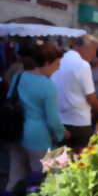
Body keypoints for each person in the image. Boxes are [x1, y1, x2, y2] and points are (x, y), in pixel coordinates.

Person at [6, 43, 69, 191]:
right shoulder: (48, 86)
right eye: (57, 64)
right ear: (47, 63)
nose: (58, 68)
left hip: (15, 131)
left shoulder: (19, 76)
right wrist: (62, 133)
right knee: (44, 179)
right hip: (38, 137)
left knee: (15, 175)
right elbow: (53, 120)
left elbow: (10, 98)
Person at [51, 35, 98, 151]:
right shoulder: (82, 65)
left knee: (61, 161)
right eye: (94, 50)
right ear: (85, 48)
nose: (94, 55)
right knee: (79, 162)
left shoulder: (59, 60)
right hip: (79, 122)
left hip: (60, 122)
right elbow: (91, 97)